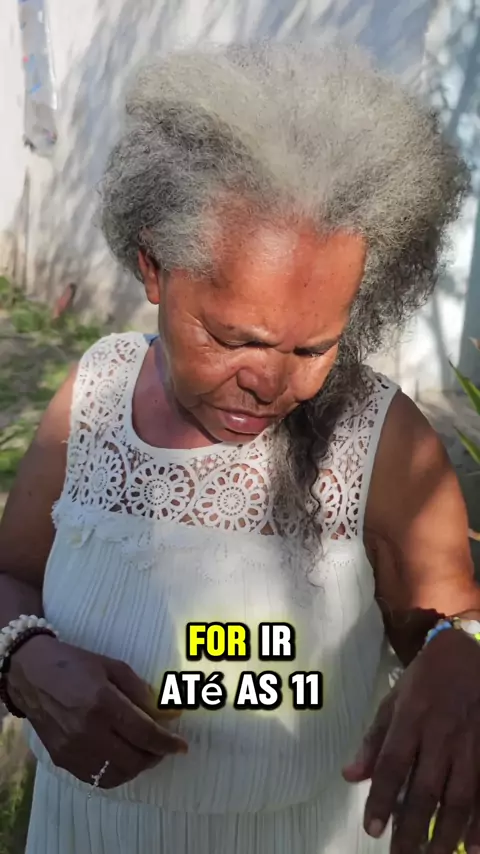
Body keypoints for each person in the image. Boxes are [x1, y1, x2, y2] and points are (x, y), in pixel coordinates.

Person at [0, 38, 479, 854]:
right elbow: (9, 574)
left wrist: (461, 656)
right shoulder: (96, 397)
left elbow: (452, 624)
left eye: (314, 347)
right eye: (233, 338)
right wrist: (23, 658)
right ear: (155, 269)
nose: (273, 383)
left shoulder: (379, 440)